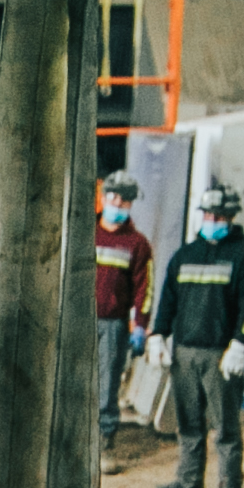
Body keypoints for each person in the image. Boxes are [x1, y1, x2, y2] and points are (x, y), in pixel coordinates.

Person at [149, 185, 244, 488]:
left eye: (219, 215)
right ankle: (189, 481)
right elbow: (168, 299)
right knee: (189, 423)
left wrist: (241, 344)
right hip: (185, 352)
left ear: (231, 217)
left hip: (222, 354)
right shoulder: (185, 255)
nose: (212, 220)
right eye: (208, 214)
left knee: (225, 426)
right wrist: (157, 335)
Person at [89, 173, 154, 451]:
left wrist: (140, 324)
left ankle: (104, 440)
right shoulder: (83, 233)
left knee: (107, 384)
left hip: (113, 325)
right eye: (114, 198)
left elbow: (145, 289)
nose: (119, 204)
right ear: (103, 198)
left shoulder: (138, 245)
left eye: (125, 201)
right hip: (77, 322)